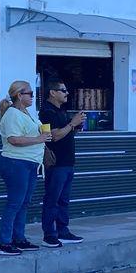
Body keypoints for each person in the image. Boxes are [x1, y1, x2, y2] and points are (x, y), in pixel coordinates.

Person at [0, 80, 48, 257]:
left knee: (24, 203)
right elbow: (13, 139)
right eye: (30, 94)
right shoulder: (12, 114)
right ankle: (4, 242)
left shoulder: (27, 113)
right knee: (14, 203)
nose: (33, 97)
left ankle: (19, 238)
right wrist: (39, 139)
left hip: (31, 163)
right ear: (19, 95)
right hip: (15, 163)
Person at [39, 80, 88, 248]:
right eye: (63, 90)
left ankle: (63, 231)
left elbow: (65, 132)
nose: (67, 93)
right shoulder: (46, 112)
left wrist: (76, 126)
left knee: (64, 200)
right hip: (56, 163)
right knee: (52, 199)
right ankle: (49, 234)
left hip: (68, 162)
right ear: (53, 92)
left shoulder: (61, 110)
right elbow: (54, 136)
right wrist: (72, 123)